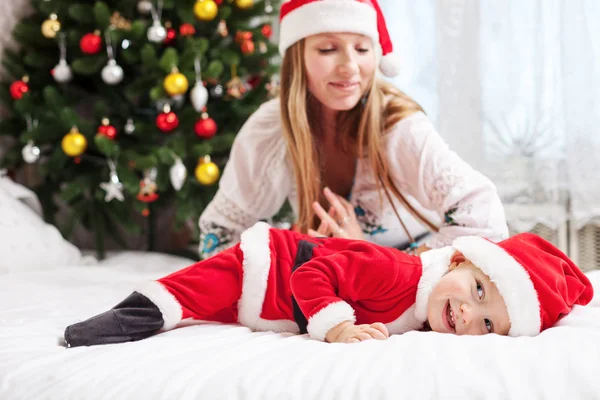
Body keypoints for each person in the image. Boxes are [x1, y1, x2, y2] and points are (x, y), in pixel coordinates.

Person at [197, 0, 509, 260]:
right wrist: (277, 260)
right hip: (325, 277)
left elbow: (483, 215)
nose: (350, 66)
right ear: (297, 58)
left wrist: (376, 257)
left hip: (411, 272)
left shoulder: (398, 126)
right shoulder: (270, 130)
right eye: (327, 49)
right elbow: (218, 233)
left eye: (362, 48)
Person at [64, 222, 593, 347]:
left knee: (205, 309)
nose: (468, 316)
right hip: (266, 267)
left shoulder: (426, 315)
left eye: (488, 324)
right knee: (180, 298)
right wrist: (337, 327)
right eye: (477, 291)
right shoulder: (401, 273)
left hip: (273, 304)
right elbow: (311, 273)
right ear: (456, 259)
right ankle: (118, 319)